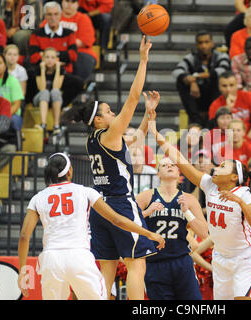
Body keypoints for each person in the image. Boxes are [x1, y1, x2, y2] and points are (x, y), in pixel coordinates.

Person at [60, 36, 159, 300]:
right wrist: (143, 60)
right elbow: (133, 96)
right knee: (137, 265)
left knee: (107, 270)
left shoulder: (94, 139)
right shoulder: (109, 132)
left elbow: (134, 139)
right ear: (99, 120)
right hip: (121, 204)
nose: (114, 112)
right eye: (108, 111)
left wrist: (149, 118)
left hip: (99, 208)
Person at [17, 152, 164, 300]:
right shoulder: (86, 191)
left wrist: (23, 270)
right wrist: (148, 233)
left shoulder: (38, 198)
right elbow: (117, 220)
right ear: (69, 171)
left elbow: (24, 236)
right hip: (79, 256)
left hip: (51, 259)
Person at [149, 118, 251, 300]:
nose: (216, 167)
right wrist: (158, 136)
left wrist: (240, 202)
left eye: (222, 166)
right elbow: (182, 162)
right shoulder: (210, 185)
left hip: (245, 258)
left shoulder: (244, 194)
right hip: (221, 257)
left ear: (233, 177)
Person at [136, 157, 208, 300]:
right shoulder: (145, 197)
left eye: (173, 164)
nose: (169, 166)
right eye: (164, 165)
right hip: (154, 263)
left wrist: (187, 212)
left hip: (182, 261)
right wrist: (146, 212)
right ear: (158, 174)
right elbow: (126, 224)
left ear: (179, 172)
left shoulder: (189, 199)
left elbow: (204, 233)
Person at [172, 31, 230, 127]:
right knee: (181, 82)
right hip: (197, 96)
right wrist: (191, 81)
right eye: (200, 43)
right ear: (196, 45)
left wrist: (196, 77)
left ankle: (213, 118)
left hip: (214, 95)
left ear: (212, 43)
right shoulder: (191, 58)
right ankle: (196, 121)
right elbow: (177, 71)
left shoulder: (220, 56)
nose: (203, 46)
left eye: (206, 42)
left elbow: (222, 70)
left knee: (219, 79)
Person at [41, 0, 97, 81]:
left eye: (73, 2)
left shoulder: (83, 18)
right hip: (53, 52)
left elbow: (84, 41)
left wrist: (59, 43)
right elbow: (41, 35)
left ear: (78, 4)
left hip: (79, 52)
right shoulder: (53, 16)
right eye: (67, 1)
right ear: (62, 2)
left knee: (84, 60)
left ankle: (77, 89)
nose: (69, 5)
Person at [208, 71, 251, 149]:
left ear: (236, 85)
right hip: (226, 140)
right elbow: (214, 127)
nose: (228, 89)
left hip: (249, 136)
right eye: (224, 86)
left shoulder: (249, 96)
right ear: (219, 87)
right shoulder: (215, 105)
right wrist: (227, 109)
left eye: (231, 85)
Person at [28, 1, 78, 75]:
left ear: (60, 15)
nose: (53, 18)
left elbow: (73, 56)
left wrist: (46, 55)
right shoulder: (36, 33)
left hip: (64, 73)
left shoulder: (69, 33)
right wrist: (60, 57)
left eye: (56, 14)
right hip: (41, 72)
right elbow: (33, 58)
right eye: (49, 14)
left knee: (78, 83)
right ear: (45, 16)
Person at [33, 47, 65, 138]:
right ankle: (43, 124)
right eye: (47, 57)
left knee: (55, 91)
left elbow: (56, 87)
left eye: (52, 57)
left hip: (55, 99)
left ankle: (56, 125)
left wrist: (58, 69)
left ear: (57, 59)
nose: (50, 60)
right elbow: (42, 88)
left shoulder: (61, 70)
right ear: (43, 59)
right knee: (45, 92)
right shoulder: (38, 69)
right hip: (39, 99)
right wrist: (43, 70)